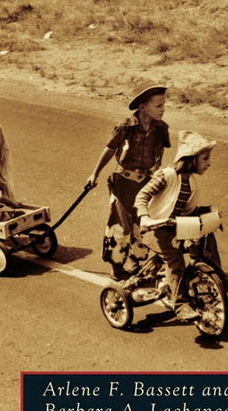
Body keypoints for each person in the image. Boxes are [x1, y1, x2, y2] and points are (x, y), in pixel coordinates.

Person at [87, 85, 170, 281]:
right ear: (142, 107)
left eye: (163, 105)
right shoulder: (125, 127)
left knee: (141, 225)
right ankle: (116, 267)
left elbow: (159, 153)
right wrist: (94, 174)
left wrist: (157, 174)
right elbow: (109, 149)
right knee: (121, 226)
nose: (163, 109)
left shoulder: (161, 128)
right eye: (158, 105)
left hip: (145, 184)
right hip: (122, 183)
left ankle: (134, 262)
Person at [136, 131, 217, 322]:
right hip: (155, 229)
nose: (209, 163)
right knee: (176, 261)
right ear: (191, 159)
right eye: (205, 158)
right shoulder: (167, 175)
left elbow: (188, 210)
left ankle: (216, 276)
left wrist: (208, 210)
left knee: (206, 235)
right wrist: (144, 217)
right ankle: (180, 305)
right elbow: (142, 196)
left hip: (175, 227)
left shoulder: (190, 182)